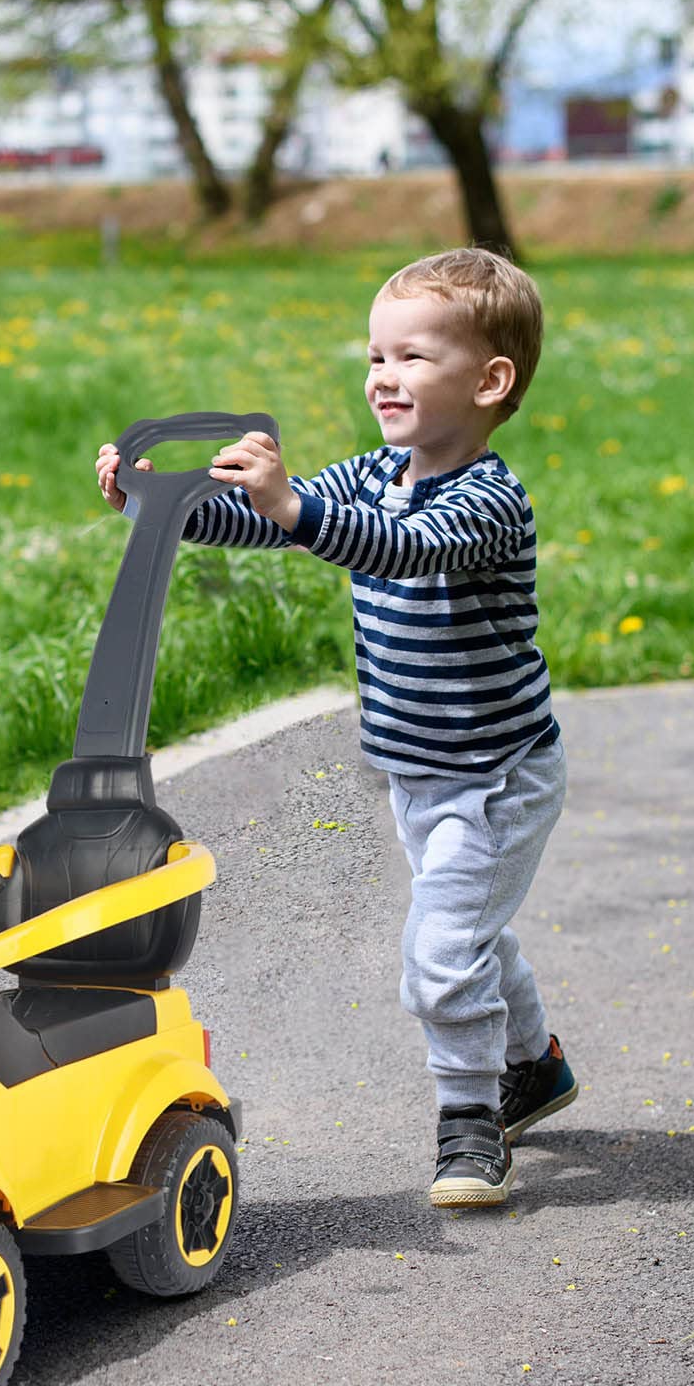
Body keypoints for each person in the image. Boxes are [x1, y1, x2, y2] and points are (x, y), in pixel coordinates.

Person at [94, 246, 577, 1211]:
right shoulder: (373, 471)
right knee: (473, 931)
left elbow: (397, 547)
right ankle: (538, 1067)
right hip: (418, 768)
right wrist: (163, 506)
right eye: (374, 356)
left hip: (495, 774)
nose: (381, 377)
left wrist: (296, 504)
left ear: (490, 382)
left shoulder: (485, 499)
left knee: (441, 958)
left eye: (410, 358)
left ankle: (470, 1124)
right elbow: (280, 525)